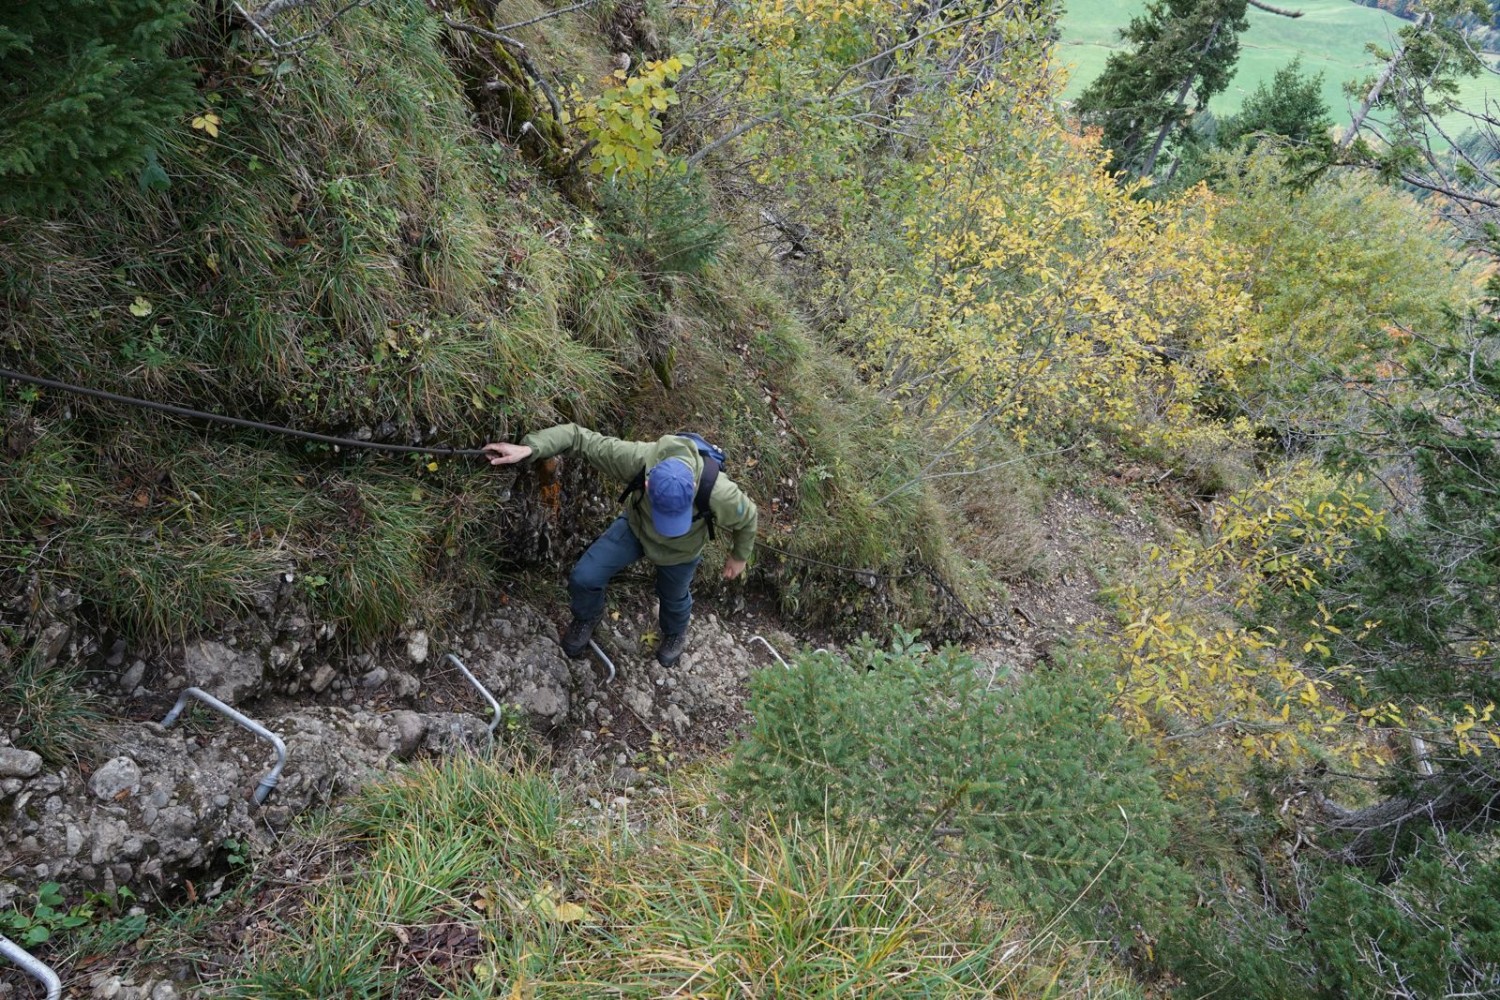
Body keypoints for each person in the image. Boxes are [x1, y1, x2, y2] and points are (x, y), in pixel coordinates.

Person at [483, 425, 757, 667]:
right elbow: (579, 438)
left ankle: (675, 633)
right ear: (648, 484)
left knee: (673, 597)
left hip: (681, 552)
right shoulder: (636, 460)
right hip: (636, 529)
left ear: (695, 485)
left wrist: (739, 556)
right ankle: (587, 617)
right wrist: (531, 447)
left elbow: (748, 519)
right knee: (585, 577)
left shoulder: (721, 494)